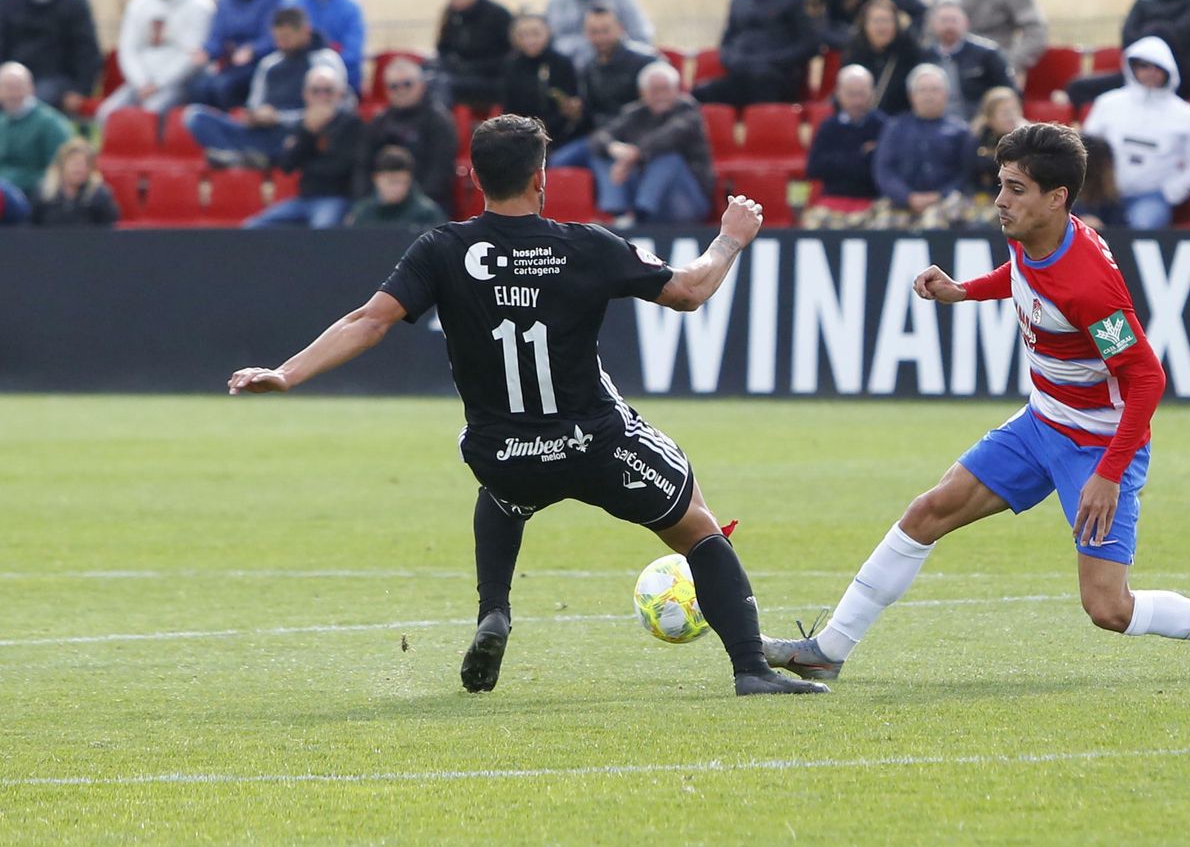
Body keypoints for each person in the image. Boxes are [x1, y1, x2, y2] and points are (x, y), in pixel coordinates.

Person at [225, 114, 828, 697]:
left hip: (503, 451)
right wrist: (730, 238)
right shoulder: (586, 246)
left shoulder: (441, 248)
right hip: (595, 445)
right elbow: (691, 291)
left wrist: (285, 373)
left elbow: (369, 321)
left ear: (475, 178)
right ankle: (751, 666)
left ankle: (494, 612)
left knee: (505, 493)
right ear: (542, 178)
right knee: (696, 524)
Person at [761, 123, 1190, 684]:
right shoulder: (1035, 235)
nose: (1001, 200)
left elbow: (1147, 378)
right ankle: (828, 648)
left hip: (1097, 446)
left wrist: (1109, 474)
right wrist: (964, 290)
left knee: (1108, 608)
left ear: (1057, 197)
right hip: (1040, 422)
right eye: (1001, 184)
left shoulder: (1089, 284)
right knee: (927, 513)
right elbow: (1024, 277)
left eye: (1016, 188)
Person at [186, 7, 347, 170]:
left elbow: (336, 110)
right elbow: (254, 105)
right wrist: (254, 117)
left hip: (300, 135)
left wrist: (280, 118)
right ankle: (239, 158)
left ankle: (248, 159)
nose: (280, 44)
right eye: (277, 39)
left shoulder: (325, 61)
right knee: (196, 117)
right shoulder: (268, 64)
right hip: (263, 133)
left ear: (305, 32)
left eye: (286, 38)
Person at [1078, 36, 1190, 228]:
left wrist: (1170, 192)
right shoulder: (1107, 103)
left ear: (1168, 70)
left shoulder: (1187, 115)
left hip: (1152, 198)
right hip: (1103, 195)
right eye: (1144, 66)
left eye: (1158, 67)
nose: (1151, 73)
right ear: (1132, 67)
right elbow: (1085, 150)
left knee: (1143, 226)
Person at [97, 0, 215, 123]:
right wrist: (141, 81)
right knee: (107, 114)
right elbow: (128, 47)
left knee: (149, 113)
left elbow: (191, 55)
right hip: (140, 81)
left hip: (176, 83)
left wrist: (158, 83)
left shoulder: (199, 6)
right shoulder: (140, 3)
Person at [588, 61, 713, 226]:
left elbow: (669, 136)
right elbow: (599, 137)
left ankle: (639, 215)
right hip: (644, 189)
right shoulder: (633, 113)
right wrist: (614, 149)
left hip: (686, 199)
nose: (661, 95)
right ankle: (618, 212)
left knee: (668, 159)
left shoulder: (689, 111)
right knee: (603, 154)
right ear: (642, 93)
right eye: (655, 90)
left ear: (676, 90)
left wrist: (633, 155)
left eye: (665, 89)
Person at [694, 0, 818, 106]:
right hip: (741, 76)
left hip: (777, 79)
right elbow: (726, 43)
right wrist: (734, 60)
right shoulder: (738, 1)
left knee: (762, 80)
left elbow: (809, 45)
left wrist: (769, 61)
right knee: (699, 93)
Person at [246, 65, 361, 229]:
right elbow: (286, 165)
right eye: (316, 91)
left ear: (339, 94)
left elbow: (342, 167)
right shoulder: (303, 124)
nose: (322, 96)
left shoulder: (351, 124)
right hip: (304, 199)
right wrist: (308, 133)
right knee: (253, 227)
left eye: (328, 90)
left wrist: (308, 159)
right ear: (306, 94)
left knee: (320, 231)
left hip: (336, 198)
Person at [0, 0, 101, 116]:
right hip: (15, 73)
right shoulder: (9, 1)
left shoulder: (74, 2)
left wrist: (81, 90)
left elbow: (87, 52)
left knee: (33, 104)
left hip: (58, 78)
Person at [870, 64, 973, 228]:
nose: (929, 96)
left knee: (935, 223)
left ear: (946, 95)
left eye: (934, 90)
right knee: (882, 225)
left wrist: (939, 195)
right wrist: (907, 197)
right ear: (911, 96)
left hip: (946, 202)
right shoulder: (894, 128)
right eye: (923, 90)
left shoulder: (961, 130)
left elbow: (965, 173)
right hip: (900, 202)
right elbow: (884, 170)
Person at [187, 0, 287, 111]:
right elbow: (217, 36)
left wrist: (252, 50)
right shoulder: (225, 1)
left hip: (259, 64)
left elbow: (273, 36)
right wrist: (206, 51)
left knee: (223, 88)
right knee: (198, 87)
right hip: (230, 65)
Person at [357, 57, 457, 211]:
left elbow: (441, 171)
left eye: (407, 84)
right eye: (394, 86)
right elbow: (363, 167)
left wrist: (412, 199)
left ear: (421, 86)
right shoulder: (377, 124)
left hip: (426, 204)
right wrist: (369, 199)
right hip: (380, 203)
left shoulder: (438, 121)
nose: (401, 90)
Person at [801, 65, 884, 228]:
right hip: (832, 200)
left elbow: (883, 170)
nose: (857, 101)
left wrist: (841, 162)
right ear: (839, 94)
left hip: (872, 202)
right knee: (812, 224)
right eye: (851, 94)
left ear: (872, 94)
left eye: (862, 94)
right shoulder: (828, 127)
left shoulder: (883, 126)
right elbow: (814, 168)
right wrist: (862, 156)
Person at [436, 0, 514, 110]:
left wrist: (467, 67)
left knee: (442, 84)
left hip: (490, 81)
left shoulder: (498, 15)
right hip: (456, 75)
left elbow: (509, 58)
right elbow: (442, 48)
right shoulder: (451, 14)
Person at [573, 4, 656, 140]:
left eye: (606, 31)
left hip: (637, 136)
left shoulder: (646, 60)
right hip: (599, 136)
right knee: (558, 158)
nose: (600, 38)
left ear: (621, 28)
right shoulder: (587, 65)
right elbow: (590, 110)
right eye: (594, 32)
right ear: (586, 34)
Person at [925, 0, 1015, 120]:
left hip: (978, 122)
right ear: (933, 24)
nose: (949, 26)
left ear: (965, 23)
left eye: (954, 20)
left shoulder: (987, 54)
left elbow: (1009, 91)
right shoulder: (924, 56)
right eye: (944, 21)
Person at [502, 11, 579, 151]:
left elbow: (569, 106)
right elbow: (509, 106)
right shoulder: (511, 65)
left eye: (535, 34)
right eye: (523, 35)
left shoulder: (562, 63)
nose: (530, 40)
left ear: (548, 32)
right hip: (521, 135)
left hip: (558, 136)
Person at [840, 0, 927, 117]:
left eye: (886, 21)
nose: (881, 28)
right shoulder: (853, 53)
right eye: (876, 22)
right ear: (864, 25)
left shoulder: (909, 53)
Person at [0, 61, 74, 198]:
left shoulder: (51, 124)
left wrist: (14, 182)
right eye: (7, 88)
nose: (12, 94)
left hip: (35, 197)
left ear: (30, 88)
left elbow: (60, 170)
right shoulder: (2, 122)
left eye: (17, 87)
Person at [345, 146, 448, 230]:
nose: (398, 188)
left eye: (404, 182)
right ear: (377, 179)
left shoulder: (427, 213)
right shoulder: (363, 212)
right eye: (392, 182)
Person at [30, 136, 119, 226]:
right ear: (61, 165)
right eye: (73, 163)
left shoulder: (100, 195)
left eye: (83, 164)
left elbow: (109, 230)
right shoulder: (44, 194)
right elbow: (31, 228)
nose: (78, 168)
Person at [970, 85, 1026, 196]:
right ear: (990, 118)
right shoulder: (977, 138)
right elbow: (970, 175)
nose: (1011, 116)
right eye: (1005, 113)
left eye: (1014, 110)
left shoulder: (1027, 138)